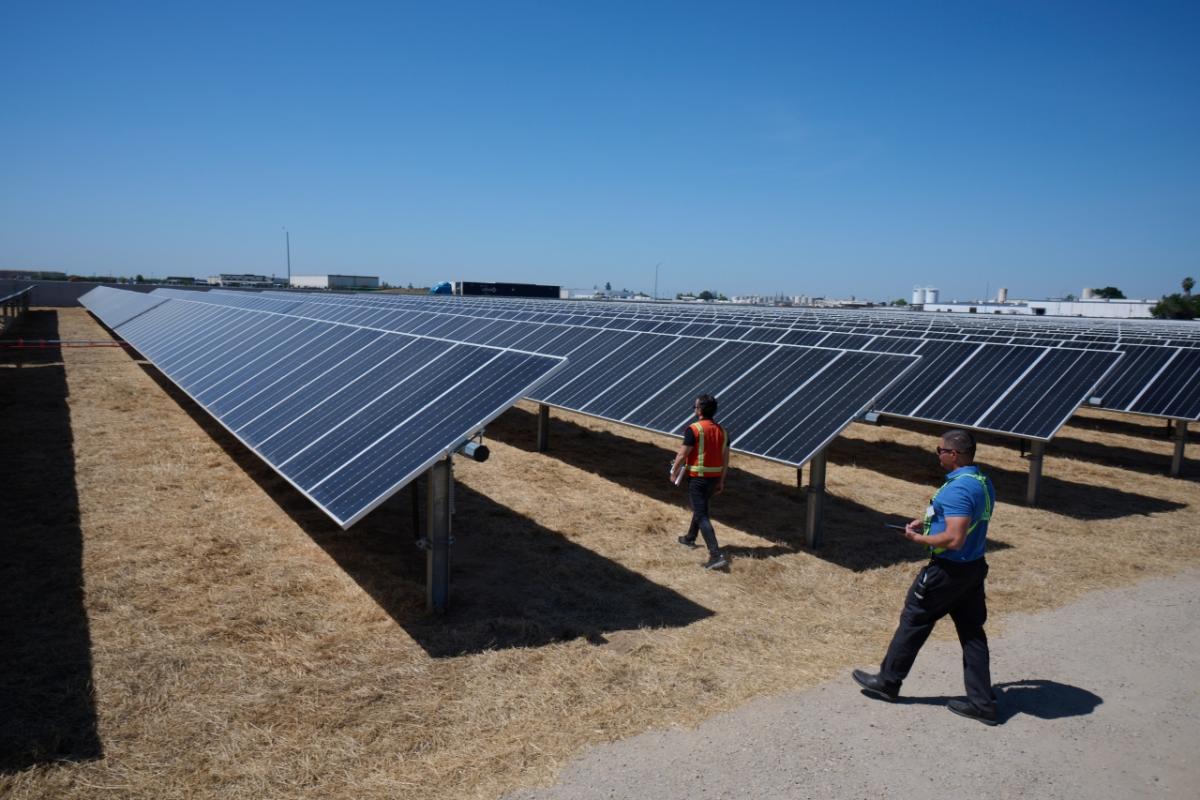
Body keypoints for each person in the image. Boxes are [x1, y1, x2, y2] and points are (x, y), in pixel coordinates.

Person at [852, 428, 999, 725]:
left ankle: (888, 681)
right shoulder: (981, 481)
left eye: (939, 450)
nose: (937, 455)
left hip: (948, 571)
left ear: (953, 454)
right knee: (972, 634)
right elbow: (965, 520)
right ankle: (982, 702)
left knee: (914, 619)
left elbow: (955, 538)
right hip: (972, 569)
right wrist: (929, 522)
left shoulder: (958, 488)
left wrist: (918, 540)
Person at [669, 394, 730, 570]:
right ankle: (690, 538)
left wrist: (674, 472)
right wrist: (722, 481)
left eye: (695, 407)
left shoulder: (694, 429)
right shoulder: (723, 431)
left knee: (702, 513)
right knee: (700, 507)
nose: (694, 410)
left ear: (701, 410)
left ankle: (715, 554)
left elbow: (683, 454)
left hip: (698, 479)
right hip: (714, 479)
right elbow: (725, 460)